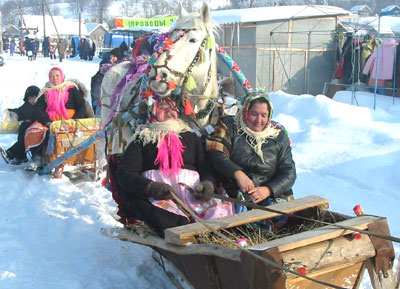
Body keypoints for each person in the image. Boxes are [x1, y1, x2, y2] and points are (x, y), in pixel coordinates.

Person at [116, 97, 234, 236]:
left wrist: (207, 185)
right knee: (171, 220)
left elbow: (205, 167)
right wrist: (150, 187)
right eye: (162, 108)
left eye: (172, 109)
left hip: (191, 192)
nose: (169, 111)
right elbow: (126, 173)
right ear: (152, 114)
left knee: (217, 217)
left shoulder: (191, 137)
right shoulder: (142, 139)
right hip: (159, 196)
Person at [206, 92, 296, 206]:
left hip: (270, 195)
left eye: (263, 115)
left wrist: (268, 190)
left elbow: (289, 172)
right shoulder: (228, 127)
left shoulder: (278, 136)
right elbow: (216, 152)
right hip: (235, 194)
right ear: (246, 112)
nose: (258, 120)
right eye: (254, 114)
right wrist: (237, 173)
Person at [24, 67, 90, 171]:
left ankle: (79, 157)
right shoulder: (45, 91)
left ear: (62, 76)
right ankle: (39, 159)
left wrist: (75, 120)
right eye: (52, 76)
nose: (55, 78)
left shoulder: (71, 89)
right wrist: (47, 121)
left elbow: (81, 106)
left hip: (71, 120)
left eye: (57, 75)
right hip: (51, 121)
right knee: (36, 131)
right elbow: (38, 109)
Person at [0, 86, 40, 165]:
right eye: (30, 97)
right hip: (26, 128)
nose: (33, 99)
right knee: (22, 137)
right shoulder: (26, 106)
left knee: (25, 140)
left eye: (35, 97)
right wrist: (12, 112)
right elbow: (19, 111)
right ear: (27, 98)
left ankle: (11, 153)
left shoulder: (40, 106)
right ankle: (21, 156)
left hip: (36, 128)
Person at [90, 48, 122, 115]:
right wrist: (99, 99)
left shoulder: (120, 70)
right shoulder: (100, 75)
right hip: (101, 101)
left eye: (114, 56)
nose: (111, 58)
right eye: (111, 56)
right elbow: (96, 89)